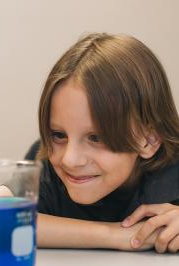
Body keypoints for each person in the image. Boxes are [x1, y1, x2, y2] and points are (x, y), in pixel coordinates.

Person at [24, 33, 179, 253]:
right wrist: (116, 234)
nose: (70, 159)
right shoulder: (45, 164)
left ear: (148, 140)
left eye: (96, 138)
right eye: (59, 135)